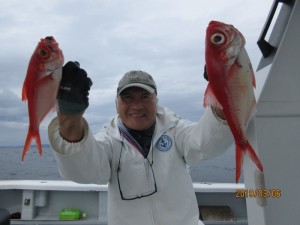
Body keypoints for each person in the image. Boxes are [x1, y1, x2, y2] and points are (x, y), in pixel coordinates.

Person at [48, 61, 233, 225]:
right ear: (116, 104)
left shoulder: (175, 128)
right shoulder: (107, 139)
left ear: (156, 101)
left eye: (145, 97)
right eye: (127, 97)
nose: (137, 105)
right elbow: (86, 170)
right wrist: (69, 115)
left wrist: (222, 94)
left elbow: (204, 144)